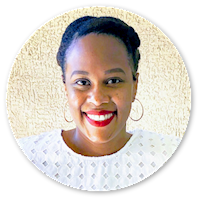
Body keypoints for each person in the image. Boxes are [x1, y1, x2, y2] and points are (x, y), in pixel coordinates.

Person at [17, 16, 181, 191]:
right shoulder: (30, 154)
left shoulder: (167, 152)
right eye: (82, 82)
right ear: (66, 87)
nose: (97, 99)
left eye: (113, 80)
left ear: (135, 86)